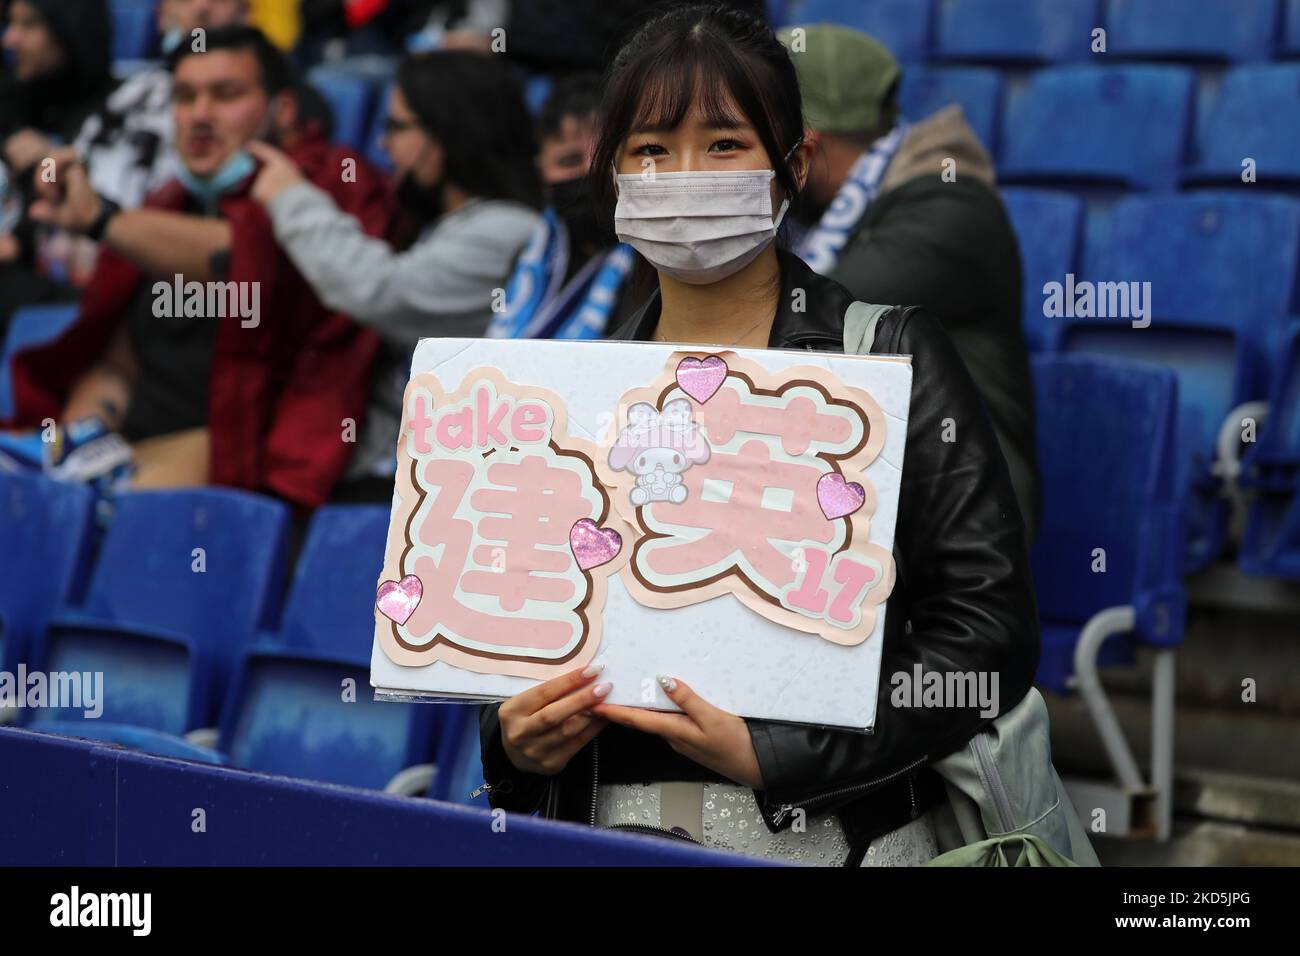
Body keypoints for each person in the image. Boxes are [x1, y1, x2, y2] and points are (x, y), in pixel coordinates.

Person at [477, 3, 1041, 867]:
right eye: (651, 149)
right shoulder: (576, 393)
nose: (685, 175)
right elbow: (535, 626)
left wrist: (780, 754)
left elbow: (986, 631)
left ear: (794, 164)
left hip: (843, 842)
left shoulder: (883, 352)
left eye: (726, 144)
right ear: (613, 174)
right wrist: (514, 741)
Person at [1, 26, 393, 509]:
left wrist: (102, 220)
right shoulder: (164, 206)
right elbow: (115, 368)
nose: (200, 116)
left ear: (283, 110)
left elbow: (254, 257)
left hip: (243, 476)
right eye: (185, 97)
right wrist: (75, 442)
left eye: (226, 95)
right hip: (135, 458)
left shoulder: (334, 183)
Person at [783, 23, 1040, 541]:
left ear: (811, 144)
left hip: (962, 524)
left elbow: (805, 321)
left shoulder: (949, 213)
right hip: (860, 494)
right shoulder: (835, 216)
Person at [248, 49, 543, 498]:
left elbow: (381, 290)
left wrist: (291, 198)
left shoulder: (507, 230)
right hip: (398, 475)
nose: (383, 146)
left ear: (447, 132)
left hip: (432, 487)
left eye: (397, 127)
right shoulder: (448, 225)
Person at [488, 73, 637, 341]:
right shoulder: (526, 258)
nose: (591, 172)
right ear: (541, 172)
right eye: (570, 161)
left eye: (606, 157)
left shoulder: (656, 269)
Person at [74, 0, 252, 214]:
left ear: (245, 10)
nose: (202, 7)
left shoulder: (269, 96)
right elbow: (75, 163)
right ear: (161, 16)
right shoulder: (130, 96)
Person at [0, 0, 116, 329]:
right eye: (10, 24)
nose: (10, 39)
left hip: (73, 291)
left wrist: (48, 158)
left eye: (29, 25)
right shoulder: (12, 105)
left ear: (72, 32)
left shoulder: (120, 108)